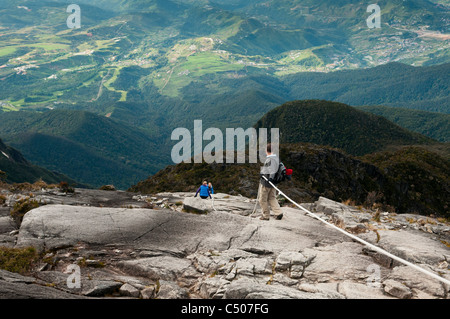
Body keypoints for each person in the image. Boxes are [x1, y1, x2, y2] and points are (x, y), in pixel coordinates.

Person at [259, 143, 283, 221]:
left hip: (266, 183)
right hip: (274, 184)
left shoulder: (270, 159)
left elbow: (272, 170)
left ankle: (266, 216)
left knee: (262, 199)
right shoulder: (276, 158)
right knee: (272, 198)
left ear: (267, 150)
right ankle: (278, 212)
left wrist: (270, 178)